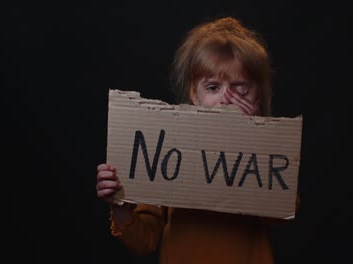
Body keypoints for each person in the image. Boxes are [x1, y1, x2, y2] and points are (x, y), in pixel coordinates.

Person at [96, 16, 299, 263]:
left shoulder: (270, 156)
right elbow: (144, 242)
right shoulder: (169, 152)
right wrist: (119, 204)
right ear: (194, 93)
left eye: (241, 89)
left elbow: (280, 213)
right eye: (213, 88)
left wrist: (253, 139)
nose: (226, 98)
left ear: (258, 95)